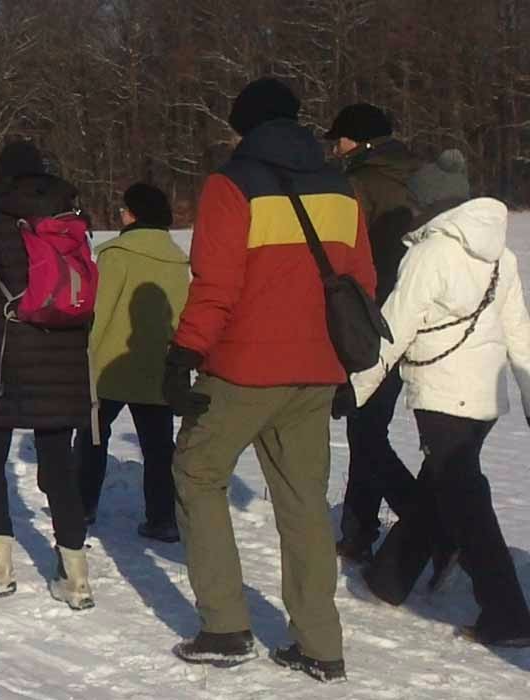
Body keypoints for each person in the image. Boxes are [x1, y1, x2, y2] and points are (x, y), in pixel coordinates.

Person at [161, 78, 372, 682]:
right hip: (318, 371)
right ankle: (320, 645)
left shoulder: (233, 184)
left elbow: (216, 284)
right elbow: (361, 283)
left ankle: (225, 627)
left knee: (197, 473)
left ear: (244, 126)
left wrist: (184, 353)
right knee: (304, 503)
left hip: (244, 369)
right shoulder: (341, 186)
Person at [347, 194, 530, 649]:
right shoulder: (500, 254)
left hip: (444, 396)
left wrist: (353, 389)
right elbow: (518, 328)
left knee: (466, 502)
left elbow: (393, 330)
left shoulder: (428, 255)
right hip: (485, 399)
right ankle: (390, 579)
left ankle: (507, 615)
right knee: (443, 486)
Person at [0, 139, 96, 611]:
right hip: (67, 354)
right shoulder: (70, 221)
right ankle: (75, 576)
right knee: (58, 465)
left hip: (9, 354)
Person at [325, 103, 423, 563]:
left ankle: (427, 522)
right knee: (371, 426)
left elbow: (344, 253)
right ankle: (359, 532)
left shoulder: (358, 183)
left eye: (340, 139)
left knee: (366, 428)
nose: (335, 146)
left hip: (374, 318)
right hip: (425, 316)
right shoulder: (418, 176)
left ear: (360, 141)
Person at [75, 183, 188, 543]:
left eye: (124, 210)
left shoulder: (115, 254)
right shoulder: (177, 259)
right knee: (157, 447)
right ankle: (163, 518)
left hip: (111, 364)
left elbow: (100, 310)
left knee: (93, 434)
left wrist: (84, 353)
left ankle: (82, 506)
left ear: (135, 215)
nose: (120, 214)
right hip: (159, 366)